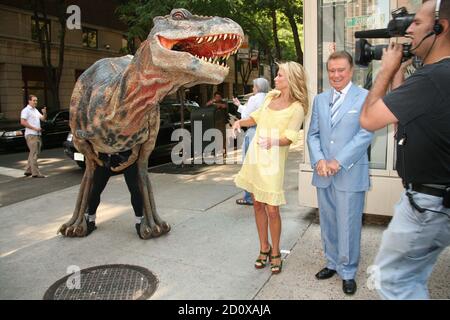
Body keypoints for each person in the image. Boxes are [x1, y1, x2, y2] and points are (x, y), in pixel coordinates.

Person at [360, 0, 450, 299]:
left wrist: (385, 70)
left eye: (417, 23)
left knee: (392, 282)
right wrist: (399, 72)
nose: (409, 29)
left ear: (440, 28)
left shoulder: (433, 78)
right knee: (411, 278)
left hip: (428, 205)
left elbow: (369, 119)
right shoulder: (437, 77)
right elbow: (402, 113)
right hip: (432, 200)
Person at [307, 51, 373, 295]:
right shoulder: (320, 100)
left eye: (340, 70)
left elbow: (366, 134)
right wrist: (319, 160)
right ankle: (332, 263)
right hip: (323, 173)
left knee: (349, 224)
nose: (335, 75)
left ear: (351, 70)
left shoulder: (365, 97)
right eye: (331, 70)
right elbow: (313, 134)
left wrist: (339, 161)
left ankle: (348, 271)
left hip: (350, 172)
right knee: (329, 222)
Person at [232, 62, 308, 275]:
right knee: (257, 204)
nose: (275, 79)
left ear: (291, 79)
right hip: (255, 157)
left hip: (273, 162)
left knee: (272, 209)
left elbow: (291, 137)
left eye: (280, 75)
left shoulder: (298, 107)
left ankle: (275, 251)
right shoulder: (270, 97)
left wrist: (273, 141)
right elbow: (255, 118)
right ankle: (263, 247)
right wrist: (240, 122)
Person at [85, 150, 145, 239]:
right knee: (96, 189)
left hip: (127, 158)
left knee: (134, 189)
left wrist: (135, 155)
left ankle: (139, 222)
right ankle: (90, 220)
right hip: (104, 159)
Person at [233, 77, 270, 206]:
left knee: (249, 165)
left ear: (258, 87)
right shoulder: (269, 98)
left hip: (253, 132)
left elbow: (246, 117)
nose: (253, 88)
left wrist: (240, 108)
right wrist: (239, 105)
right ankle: (263, 196)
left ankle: (249, 197)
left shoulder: (254, 98)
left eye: (254, 86)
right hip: (266, 133)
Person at [20, 95, 47, 178]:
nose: (35, 102)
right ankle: (36, 173)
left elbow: (43, 119)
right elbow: (22, 122)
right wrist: (35, 128)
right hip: (31, 134)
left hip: (37, 134)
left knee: (33, 153)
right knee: (34, 154)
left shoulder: (35, 110)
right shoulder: (26, 110)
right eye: (34, 100)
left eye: (36, 100)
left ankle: (28, 170)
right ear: (29, 101)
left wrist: (44, 112)